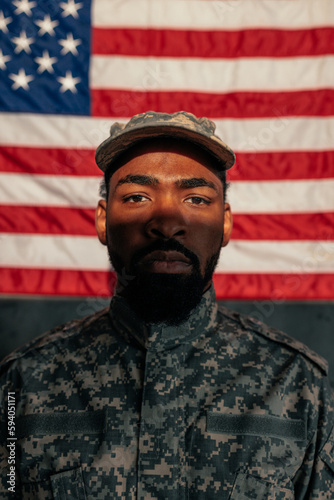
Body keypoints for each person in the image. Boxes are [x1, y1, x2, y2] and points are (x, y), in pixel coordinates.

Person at [0, 111, 333, 499]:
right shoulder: (22, 383)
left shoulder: (298, 383)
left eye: (196, 198)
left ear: (225, 224)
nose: (167, 221)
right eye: (138, 196)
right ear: (103, 221)